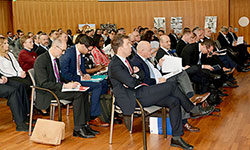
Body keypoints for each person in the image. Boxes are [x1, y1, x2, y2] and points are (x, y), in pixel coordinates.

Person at [108, 34, 214, 150]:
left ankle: (176, 138)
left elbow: (140, 76)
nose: (131, 46)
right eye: (128, 44)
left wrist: (136, 75)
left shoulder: (125, 61)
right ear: (120, 47)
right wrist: (136, 75)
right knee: (172, 85)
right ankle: (192, 109)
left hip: (140, 91)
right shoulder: (115, 64)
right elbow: (132, 82)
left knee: (174, 101)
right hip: (133, 97)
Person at [34, 38, 98, 138]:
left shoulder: (56, 59)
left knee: (84, 91)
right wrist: (64, 85)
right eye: (62, 50)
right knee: (78, 95)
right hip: (48, 92)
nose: (64, 53)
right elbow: (43, 83)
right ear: (55, 47)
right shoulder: (41, 60)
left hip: (57, 88)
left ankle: (84, 124)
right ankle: (78, 128)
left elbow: (59, 76)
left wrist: (71, 82)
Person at [60, 34, 109, 127]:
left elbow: (81, 69)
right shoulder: (69, 54)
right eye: (89, 50)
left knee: (103, 82)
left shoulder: (80, 53)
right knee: (97, 86)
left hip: (80, 78)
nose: (89, 52)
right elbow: (65, 74)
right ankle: (93, 116)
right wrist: (80, 78)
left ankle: (102, 111)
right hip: (72, 82)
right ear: (82, 45)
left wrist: (84, 74)